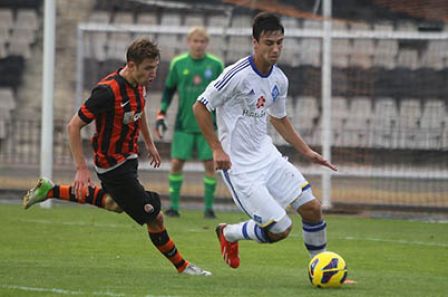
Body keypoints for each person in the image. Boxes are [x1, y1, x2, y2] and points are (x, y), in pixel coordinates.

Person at [23, 38, 211, 276]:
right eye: (148, 69)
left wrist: (150, 142)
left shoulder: (139, 84)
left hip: (129, 158)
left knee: (114, 204)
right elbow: (73, 126)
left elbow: (139, 110)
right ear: (131, 65)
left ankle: (50, 190)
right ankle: (183, 267)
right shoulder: (107, 92)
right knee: (155, 217)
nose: (153, 74)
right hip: (112, 166)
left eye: (155, 68)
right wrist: (82, 169)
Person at [193, 13, 337, 270]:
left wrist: (306, 151)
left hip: (267, 157)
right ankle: (229, 233)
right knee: (281, 229)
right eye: (269, 43)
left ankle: (323, 267)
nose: (276, 48)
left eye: (280, 42)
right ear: (255, 43)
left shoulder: (279, 79)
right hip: (239, 167)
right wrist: (217, 149)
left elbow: (279, 118)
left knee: (313, 208)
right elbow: (201, 107)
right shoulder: (236, 74)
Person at [155, 27, 224, 219]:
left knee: (210, 165)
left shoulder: (216, 65)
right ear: (189, 42)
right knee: (176, 163)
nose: (198, 45)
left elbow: (223, 95)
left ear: (207, 44)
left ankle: (209, 208)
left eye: (202, 41)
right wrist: (161, 113)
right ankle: (174, 207)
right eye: (195, 41)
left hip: (208, 126)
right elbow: (168, 90)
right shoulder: (178, 63)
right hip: (183, 124)